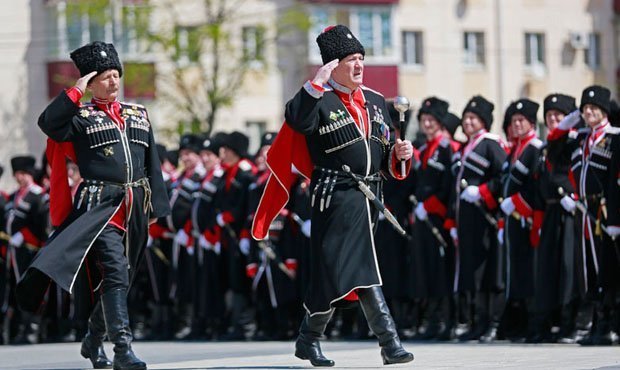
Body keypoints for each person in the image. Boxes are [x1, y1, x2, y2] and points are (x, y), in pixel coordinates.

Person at [253, 25, 414, 366]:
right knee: (362, 268)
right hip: (335, 197)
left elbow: (382, 159)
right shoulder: (317, 98)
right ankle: (389, 343)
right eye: (350, 60)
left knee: (335, 274)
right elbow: (297, 121)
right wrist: (315, 84)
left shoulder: (373, 101)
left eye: (361, 59)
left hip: (369, 196)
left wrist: (399, 156)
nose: (359, 66)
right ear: (332, 65)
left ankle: (308, 339)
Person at [16, 41, 170, 370]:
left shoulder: (137, 114)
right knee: (114, 271)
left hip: (135, 208)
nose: (113, 82)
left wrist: (156, 207)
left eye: (116, 75)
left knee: (122, 277)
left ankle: (93, 339)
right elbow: (48, 123)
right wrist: (75, 92)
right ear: (91, 82)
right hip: (99, 207)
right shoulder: (80, 117)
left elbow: (151, 161)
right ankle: (123, 350)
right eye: (105, 77)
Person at [547, 85, 620, 345]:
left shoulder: (614, 137)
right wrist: (569, 121)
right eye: (585, 109)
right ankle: (597, 322)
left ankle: (611, 324)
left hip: (605, 212)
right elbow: (553, 148)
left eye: (593, 108)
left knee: (608, 267)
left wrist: (615, 220)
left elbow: (615, 181)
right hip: (584, 211)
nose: (589, 112)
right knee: (588, 270)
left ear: (604, 110)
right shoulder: (580, 138)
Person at [452, 96, 507, 342]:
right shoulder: (468, 146)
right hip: (467, 220)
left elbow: (503, 177)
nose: (468, 122)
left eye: (473, 118)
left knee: (488, 271)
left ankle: (493, 322)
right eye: (466, 118)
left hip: (486, 217)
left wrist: (483, 192)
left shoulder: (490, 144)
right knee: (472, 272)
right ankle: (477, 320)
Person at [498, 99, 544, 342]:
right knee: (515, 269)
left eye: (521, 121)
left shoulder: (535, 148)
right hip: (512, 219)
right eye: (513, 121)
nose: (516, 125)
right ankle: (517, 321)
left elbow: (536, 185)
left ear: (531, 123)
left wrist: (516, 203)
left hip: (526, 217)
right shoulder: (517, 148)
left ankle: (531, 321)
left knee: (527, 270)